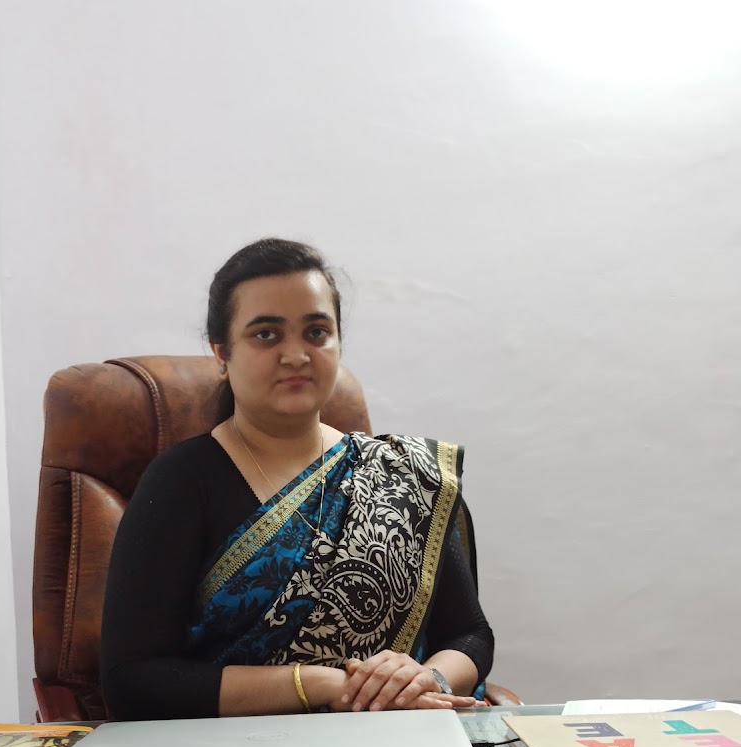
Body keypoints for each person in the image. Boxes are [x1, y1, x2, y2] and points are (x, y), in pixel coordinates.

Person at [100, 238, 494, 719]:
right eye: (266, 334)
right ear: (221, 353)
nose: (296, 355)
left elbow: (470, 635)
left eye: (316, 332)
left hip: (401, 738)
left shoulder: (403, 473)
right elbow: (133, 680)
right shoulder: (182, 482)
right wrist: (322, 683)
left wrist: (425, 678)